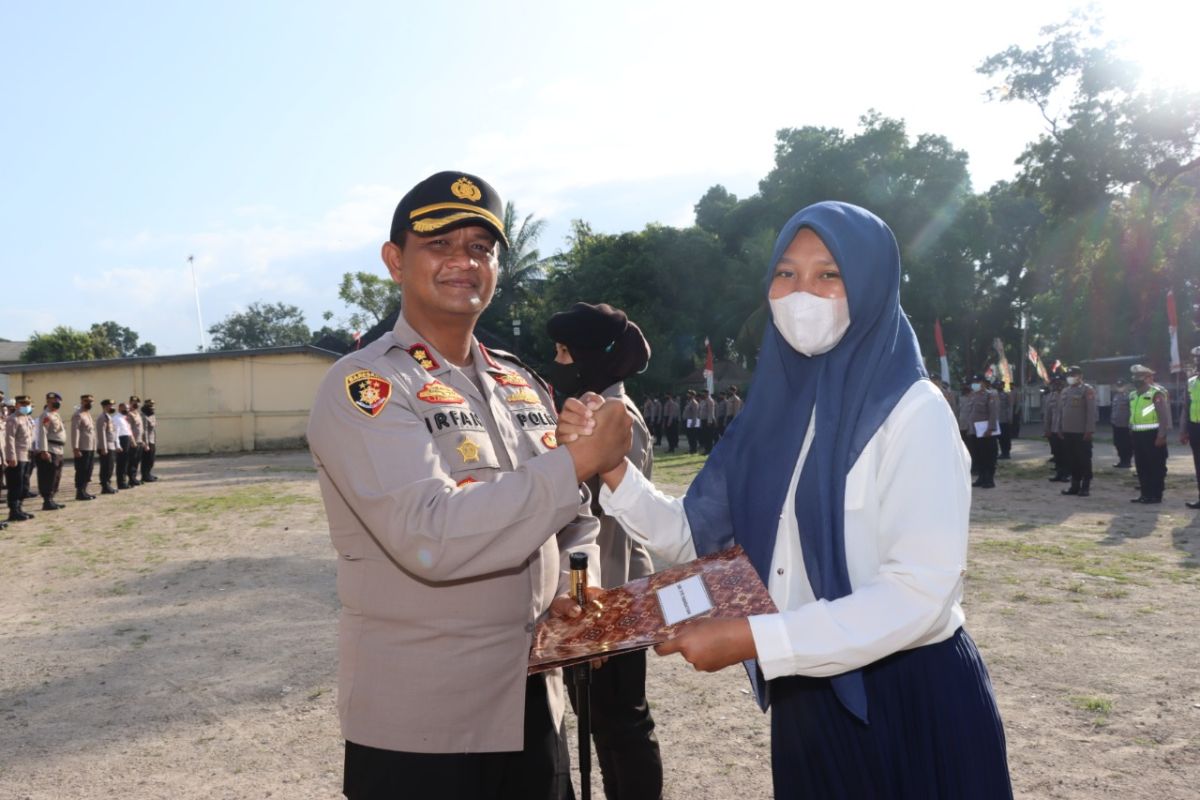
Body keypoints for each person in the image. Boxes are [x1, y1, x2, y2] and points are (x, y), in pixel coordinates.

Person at [564, 201, 1010, 797]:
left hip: (906, 696)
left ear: (871, 287)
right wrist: (612, 468)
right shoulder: (771, 415)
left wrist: (755, 639)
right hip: (805, 698)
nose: (802, 293)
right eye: (786, 274)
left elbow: (919, 594)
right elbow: (697, 538)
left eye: (829, 274)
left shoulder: (913, 410)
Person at [306, 170, 631, 800]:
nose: (464, 262)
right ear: (395, 260)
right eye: (440, 245)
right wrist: (578, 461)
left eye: (481, 249)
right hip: (423, 724)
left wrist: (571, 589)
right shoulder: (366, 387)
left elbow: (571, 521)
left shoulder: (520, 383)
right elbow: (432, 536)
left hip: (532, 697)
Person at [546, 301, 664, 800]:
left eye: (563, 351)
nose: (556, 360)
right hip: (598, 591)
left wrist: (597, 622)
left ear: (586, 354)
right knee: (604, 723)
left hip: (610, 592)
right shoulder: (597, 408)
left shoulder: (614, 416)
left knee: (622, 725)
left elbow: (609, 522)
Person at [1129, 364, 1171, 504]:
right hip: (1137, 434)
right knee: (1141, 465)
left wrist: (1161, 435)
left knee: (1155, 465)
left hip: (1152, 434)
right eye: (1134, 376)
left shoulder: (1156, 393)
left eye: (1139, 376)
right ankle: (1145, 493)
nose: (1136, 379)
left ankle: (1155, 494)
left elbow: (1163, 417)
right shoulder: (1133, 395)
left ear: (1147, 378)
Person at [1055, 366, 1097, 497]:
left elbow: (1091, 412)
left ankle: (1085, 486)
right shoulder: (1065, 391)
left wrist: (1089, 430)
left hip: (1081, 432)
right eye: (1069, 374)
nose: (1071, 377)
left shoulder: (1087, 390)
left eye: (1073, 374)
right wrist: (1059, 427)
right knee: (1072, 460)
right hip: (1067, 431)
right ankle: (1074, 485)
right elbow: (1061, 411)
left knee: (1084, 459)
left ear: (1080, 376)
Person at [963, 374, 1000, 489]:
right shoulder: (972, 396)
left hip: (986, 432)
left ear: (984, 383)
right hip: (974, 432)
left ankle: (989, 479)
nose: (975, 385)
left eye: (978, 382)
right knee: (978, 455)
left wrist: (990, 428)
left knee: (988, 455)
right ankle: (981, 477)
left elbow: (993, 413)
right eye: (974, 383)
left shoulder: (990, 395)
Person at [4, 395, 36, 522]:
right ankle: (13, 511)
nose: (26, 406)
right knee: (15, 485)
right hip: (17, 456)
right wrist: (11, 457)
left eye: (27, 404)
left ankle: (19, 508)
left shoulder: (27, 418)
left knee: (23, 485)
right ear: (16, 405)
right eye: (22, 404)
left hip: (26, 455)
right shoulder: (13, 419)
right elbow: (9, 439)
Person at [35, 392, 66, 511]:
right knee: (48, 475)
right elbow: (43, 433)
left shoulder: (56, 415)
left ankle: (52, 499)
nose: (57, 403)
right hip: (50, 449)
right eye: (54, 401)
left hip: (58, 449)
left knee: (56, 475)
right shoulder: (46, 415)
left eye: (58, 401)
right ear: (48, 402)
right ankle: (47, 501)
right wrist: (44, 450)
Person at [1180, 347, 1200, 508]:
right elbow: (1186, 407)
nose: (1198, 361)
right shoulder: (1191, 381)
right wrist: (1184, 430)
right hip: (1195, 427)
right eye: (1196, 358)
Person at [70, 394, 98, 501]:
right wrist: (76, 448)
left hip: (90, 447)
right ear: (81, 402)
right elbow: (75, 432)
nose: (89, 403)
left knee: (88, 470)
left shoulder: (88, 414)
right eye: (86, 401)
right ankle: (79, 492)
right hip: (82, 447)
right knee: (81, 470)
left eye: (91, 401)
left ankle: (84, 490)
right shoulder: (78, 415)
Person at [97, 399, 120, 494]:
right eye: (110, 405)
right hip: (106, 446)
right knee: (106, 467)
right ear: (105, 406)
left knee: (110, 467)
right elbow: (101, 433)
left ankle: (108, 485)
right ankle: (105, 486)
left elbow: (112, 433)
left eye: (113, 405)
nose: (112, 407)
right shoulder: (102, 417)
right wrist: (104, 447)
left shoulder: (108, 417)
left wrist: (115, 444)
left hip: (111, 445)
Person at [1111, 377, 1133, 468]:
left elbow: (1132, 411)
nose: (1120, 387)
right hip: (1116, 424)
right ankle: (1121, 460)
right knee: (1117, 443)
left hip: (1125, 425)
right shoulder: (1116, 396)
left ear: (1127, 386)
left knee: (1126, 444)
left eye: (1122, 385)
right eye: (1118, 386)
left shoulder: (1130, 396)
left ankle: (1127, 461)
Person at [126, 396, 146, 487]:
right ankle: (131, 479)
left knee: (136, 461)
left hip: (139, 440)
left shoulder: (137, 413)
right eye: (134, 402)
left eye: (138, 402)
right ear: (130, 402)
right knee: (132, 461)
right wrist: (132, 440)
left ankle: (134, 477)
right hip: (133, 441)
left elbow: (140, 429)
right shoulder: (129, 414)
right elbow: (128, 429)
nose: (136, 403)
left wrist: (142, 440)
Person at [113, 402, 134, 490]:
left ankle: (124, 481)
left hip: (127, 440)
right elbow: (116, 433)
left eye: (128, 408)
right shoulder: (116, 418)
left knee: (126, 462)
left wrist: (132, 441)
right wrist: (117, 445)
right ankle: (121, 483)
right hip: (121, 441)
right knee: (121, 463)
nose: (127, 410)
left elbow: (128, 431)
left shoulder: (124, 418)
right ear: (120, 408)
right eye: (125, 408)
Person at [140, 399, 159, 482]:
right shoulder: (143, 415)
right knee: (146, 459)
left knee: (151, 459)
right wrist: (146, 443)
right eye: (149, 405)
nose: (152, 407)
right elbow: (145, 430)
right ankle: (145, 475)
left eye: (152, 405)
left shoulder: (151, 414)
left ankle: (149, 473)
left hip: (152, 439)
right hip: (147, 440)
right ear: (145, 405)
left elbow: (154, 425)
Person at [997, 380, 1014, 460]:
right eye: (998, 385)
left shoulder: (1007, 395)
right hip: (997, 420)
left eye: (1001, 385)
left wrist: (1010, 418)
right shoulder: (993, 394)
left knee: (1006, 437)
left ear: (1003, 386)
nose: (999, 386)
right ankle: (1003, 452)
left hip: (1005, 419)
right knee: (1000, 438)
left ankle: (1006, 453)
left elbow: (1010, 407)